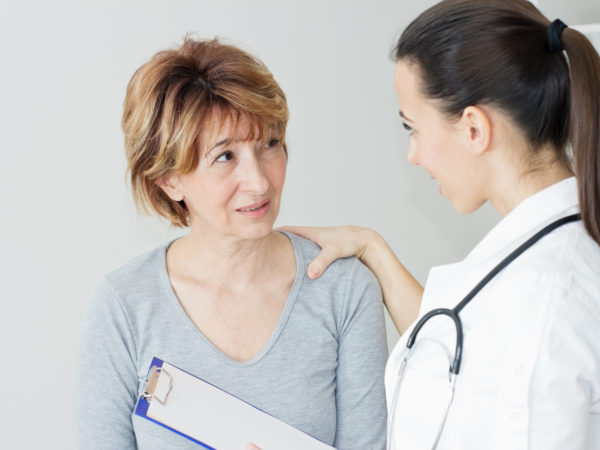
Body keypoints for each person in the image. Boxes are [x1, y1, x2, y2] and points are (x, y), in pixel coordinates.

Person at [283, 0, 600, 448]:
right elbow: (470, 353)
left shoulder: (542, 303)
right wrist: (373, 249)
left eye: (412, 127)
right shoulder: (546, 255)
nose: (413, 155)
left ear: (473, 129)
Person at [74, 36, 388, 449]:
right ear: (169, 180)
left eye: (269, 145)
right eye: (225, 157)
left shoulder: (344, 290)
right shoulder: (123, 305)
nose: (259, 182)